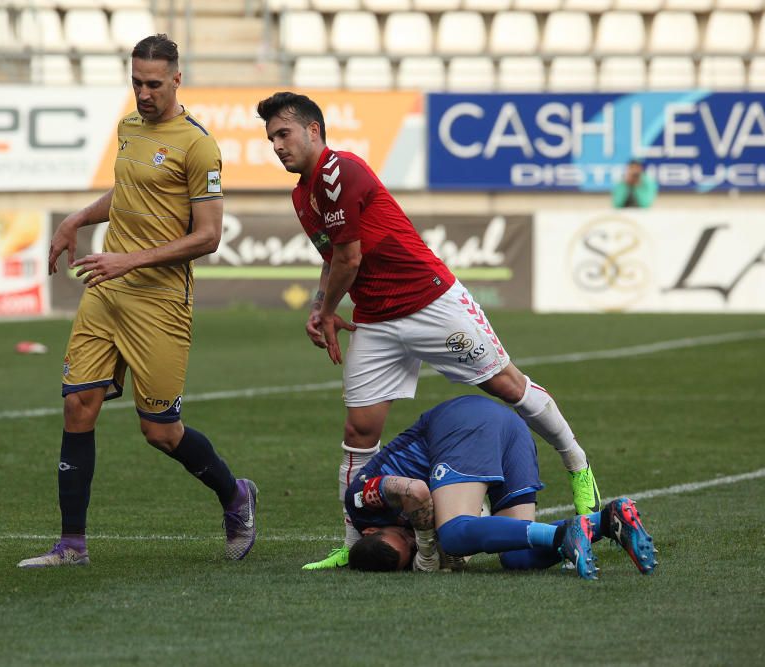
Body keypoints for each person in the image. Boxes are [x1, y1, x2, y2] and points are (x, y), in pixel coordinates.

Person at [256, 92, 600, 570]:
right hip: (376, 318)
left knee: (506, 384)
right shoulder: (302, 194)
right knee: (359, 430)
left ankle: (579, 466)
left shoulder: (341, 172)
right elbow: (334, 258)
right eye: (271, 137)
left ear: (313, 130)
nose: (276, 145)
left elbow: (350, 258)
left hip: (429, 301)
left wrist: (330, 306)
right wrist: (321, 307)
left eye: (283, 133)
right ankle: (354, 539)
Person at [19, 35, 257, 568]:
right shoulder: (129, 128)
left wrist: (129, 259)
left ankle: (235, 496)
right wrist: (77, 218)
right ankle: (72, 545)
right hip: (107, 292)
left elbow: (209, 235)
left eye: (153, 84)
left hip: (160, 301)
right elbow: (128, 192)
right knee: (79, 405)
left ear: (177, 78)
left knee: (160, 432)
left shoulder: (198, 145)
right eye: (136, 83)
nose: (143, 94)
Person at [344, 395, 658, 578]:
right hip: (509, 431)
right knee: (517, 556)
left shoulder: (359, 503)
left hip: (462, 423)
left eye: (403, 539)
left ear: (371, 532)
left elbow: (416, 491)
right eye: (411, 549)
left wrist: (426, 549)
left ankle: (564, 535)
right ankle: (607, 521)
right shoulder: (385, 532)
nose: (411, 542)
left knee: (452, 534)